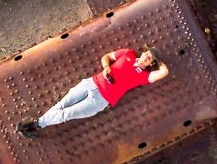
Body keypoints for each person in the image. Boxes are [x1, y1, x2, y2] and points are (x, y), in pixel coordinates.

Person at [18, 48, 169, 135]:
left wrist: (158, 59)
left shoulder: (144, 76)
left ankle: (37, 124)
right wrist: (106, 67)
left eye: (150, 58)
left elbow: (164, 72)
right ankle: (38, 125)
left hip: (100, 100)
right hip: (91, 83)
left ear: (152, 63)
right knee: (61, 105)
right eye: (147, 53)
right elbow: (107, 57)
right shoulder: (128, 53)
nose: (146, 56)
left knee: (67, 113)